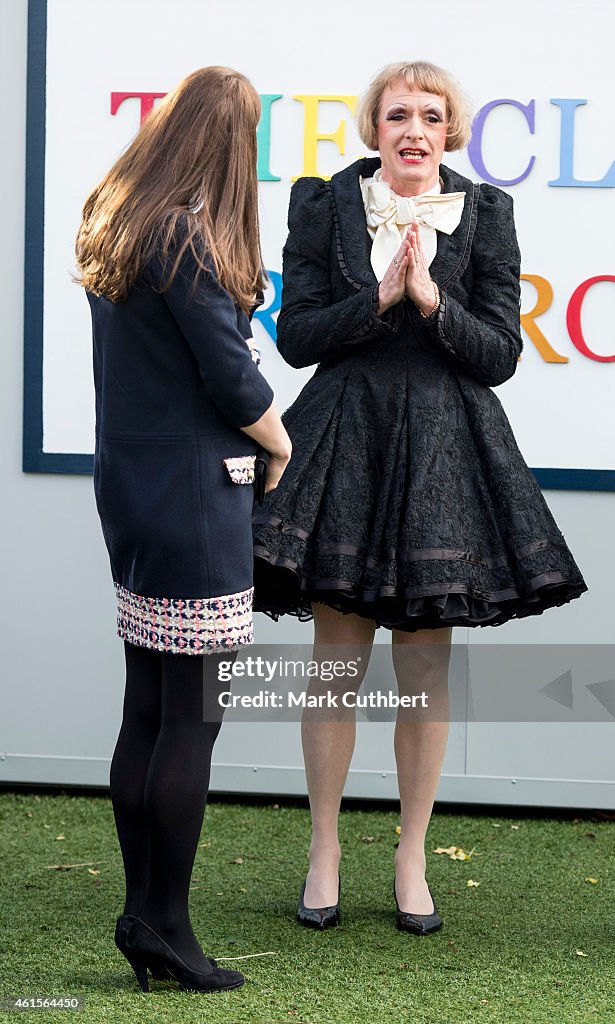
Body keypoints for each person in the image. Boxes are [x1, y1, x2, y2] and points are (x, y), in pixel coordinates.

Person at [252, 60, 587, 934]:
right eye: (396, 113)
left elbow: (500, 353)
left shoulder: (486, 212)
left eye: (428, 115)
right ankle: (322, 850)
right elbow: (295, 340)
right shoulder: (323, 203)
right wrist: (379, 297)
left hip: (446, 443)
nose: (412, 127)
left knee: (424, 664)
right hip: (344, 437)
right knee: (336, 658)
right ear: (373, 127)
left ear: (449, 131)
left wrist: (433, 301)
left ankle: (410, 857)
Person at [75, 66, 291, 991]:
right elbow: (231, 380)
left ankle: (143, 914)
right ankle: (165, 925)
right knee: (190, 721)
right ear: (227, 142)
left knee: (149, 709)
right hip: (198, 497)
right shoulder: (184, 236)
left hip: (133, 490)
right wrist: (278, 442)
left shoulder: (116, 221)